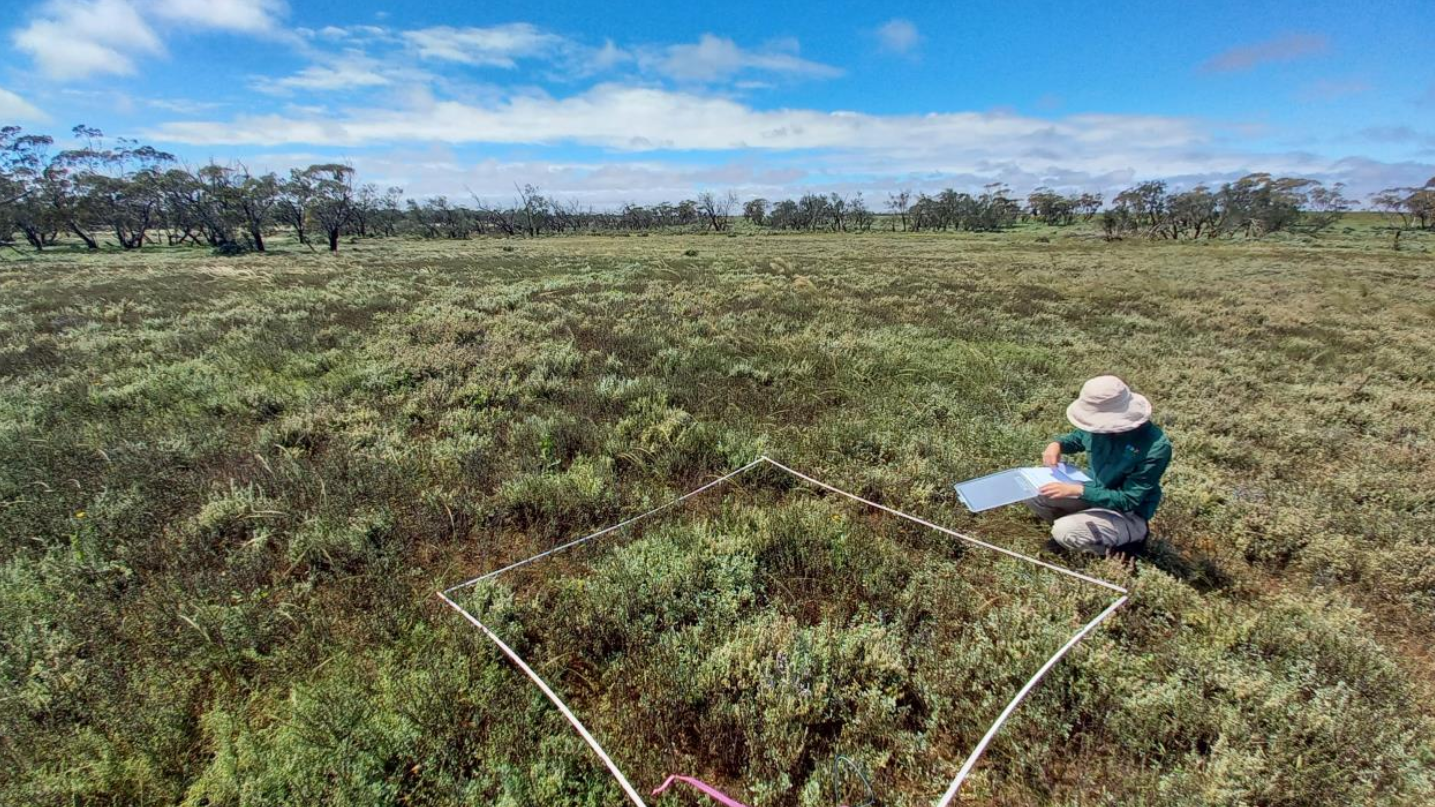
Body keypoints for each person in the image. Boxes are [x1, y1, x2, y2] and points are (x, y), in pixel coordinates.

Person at [1028, 375, 1172, 555]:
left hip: (1128, 514)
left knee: (1065, 532)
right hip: (1094, 489)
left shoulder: (1155, 447)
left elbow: (1128, 500)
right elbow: (1077, 438)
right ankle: (1082, 526)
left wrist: (1077, 491)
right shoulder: (1097, 427)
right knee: (1033, 489)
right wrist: (1057, 444)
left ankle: (1124, 543)